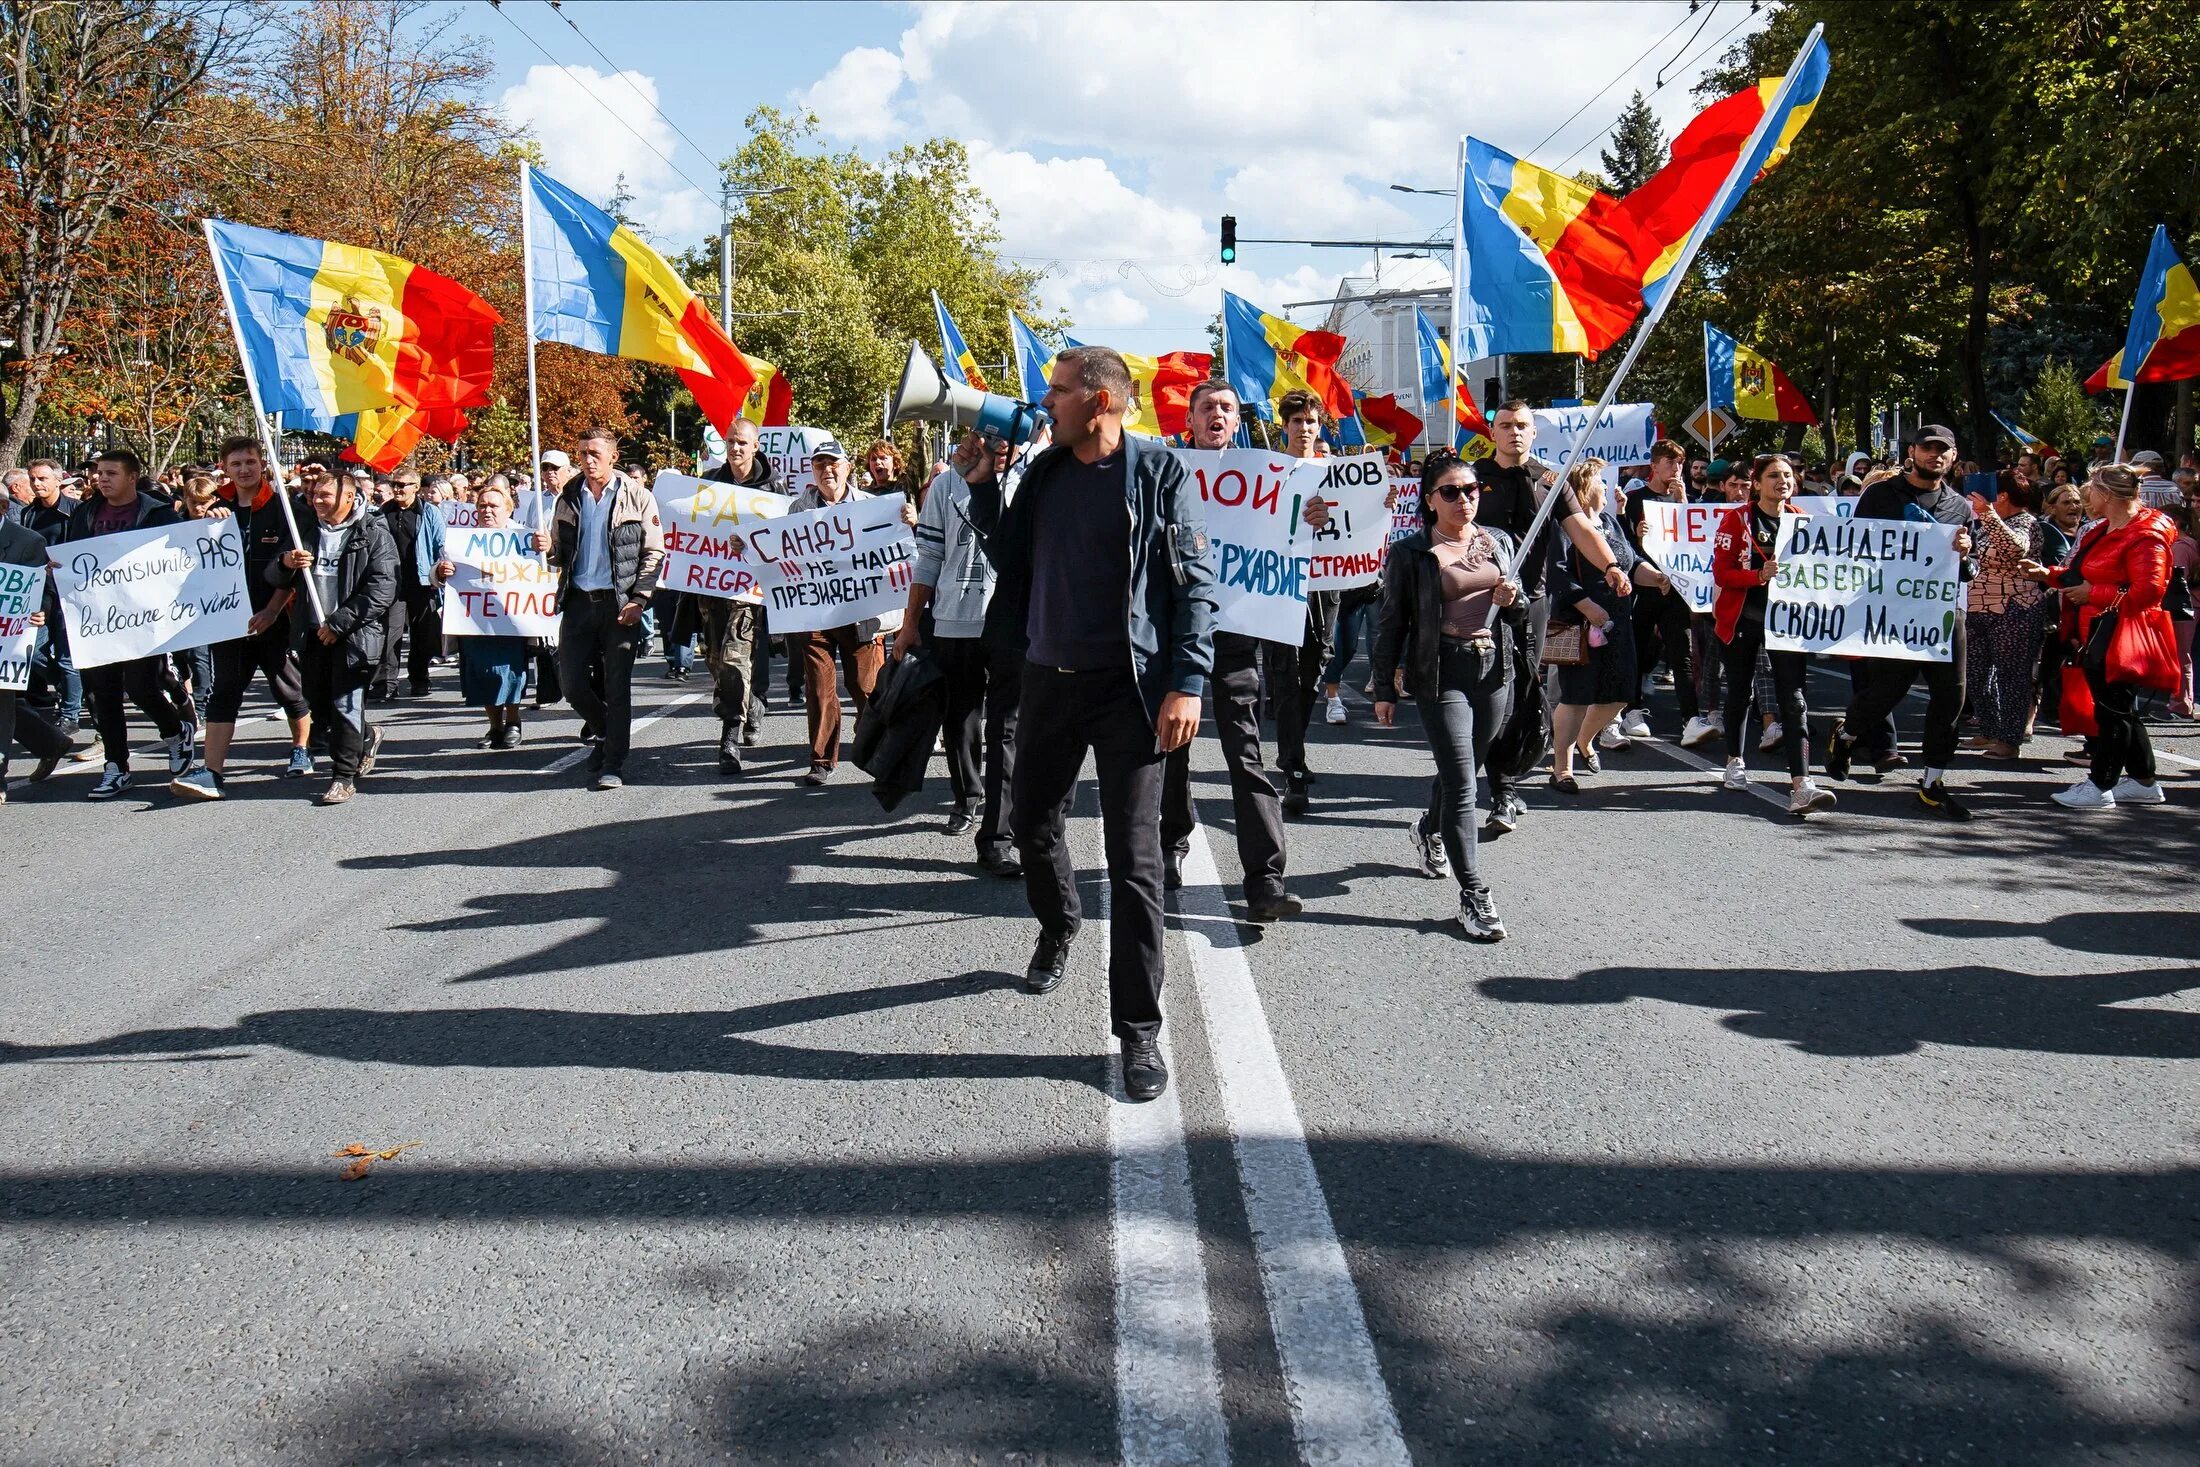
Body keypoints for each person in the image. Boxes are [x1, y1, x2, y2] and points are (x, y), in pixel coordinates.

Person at [965, 344, 1215, 1103]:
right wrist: (983, 490)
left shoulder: (1157, 472)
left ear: (1101, 402)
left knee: (1135, 859)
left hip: (1130, 690)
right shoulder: (1042, 472)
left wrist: (1188, 681)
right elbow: (1010, 559)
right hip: (1048, 681)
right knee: (1032, 821)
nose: (1047, 400)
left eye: (1061, 390)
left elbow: (1193, 582)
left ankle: (1139, 1030)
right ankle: (1060, 920)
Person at [1155, 379, 1298, 922]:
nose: (1216, 415)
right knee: (1173, 743)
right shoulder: (1166, 472)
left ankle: (1265, 878)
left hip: (1235, 637)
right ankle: (1171, 842)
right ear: (1188, 420)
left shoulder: (1267, 478)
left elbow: (1294, 531)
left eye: (1226, 409)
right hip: (1175, 636)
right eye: (1207, 407)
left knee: (1245, 751)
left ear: (1237, 422)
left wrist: (1308, 520)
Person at [1471, 399, 1636, 832]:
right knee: (1489, 692)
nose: (1514, 432)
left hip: (1533, 600)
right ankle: (1482, 778)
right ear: (1493, 433)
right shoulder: (1472, 478)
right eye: (1505, 425)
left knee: (1523, 691)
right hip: (1480, 601)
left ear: (1533, 432)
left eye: (1522, 425)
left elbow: (1580, 528)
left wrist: (1611, 566)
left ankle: (1505, 785)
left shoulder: (1551, 480)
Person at [1371, 451, 1517, 939]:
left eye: (1471, 490)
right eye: (1450, 492)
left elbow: (1524, 613)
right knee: (1462, 784)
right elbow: (1392, 621)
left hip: (1494, 671)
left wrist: (1513, 602)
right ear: (1430, 500)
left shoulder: (1500, 543)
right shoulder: (1412, 554)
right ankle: (1474, 894)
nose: (1464, 499)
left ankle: (1428, 828)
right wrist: (1383, 682)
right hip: (1442, 673)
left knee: (1466, 771)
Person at [1820, 424, 1977, 820]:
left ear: (1953, 457)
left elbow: (1968, 571)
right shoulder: (1881, 495)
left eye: (1944, 450)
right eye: (1928, 448)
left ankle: (1932, 782)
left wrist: (1965, 554)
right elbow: (1855, 549)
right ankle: (1848, 733)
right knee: (1889, 689)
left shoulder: (1960, 507)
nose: (1935, 456)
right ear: (1912, 451)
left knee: (1951, 697)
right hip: (1894, 613)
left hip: (1944, 615)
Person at [894, 428, 1029, 876]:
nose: (995, 443)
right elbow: (929, 553)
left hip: (1010, 623)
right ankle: (968, 795)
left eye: (1003, 435)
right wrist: (911, 622)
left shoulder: (1029, 475)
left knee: (1005, 727)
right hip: (953, 619)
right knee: (961, 720)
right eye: (986, 434)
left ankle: (998, 835)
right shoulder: (947, 482)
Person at [2022, 464, 2175, 810]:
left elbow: (2150, 590)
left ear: (2106, 494)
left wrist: (2094, 593)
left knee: (2111, 712)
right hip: (2095, 631)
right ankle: (2143, 781)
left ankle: (2100, 784)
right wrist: (2050, 574)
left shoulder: (2145, 535)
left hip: (2118, 634)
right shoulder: (2104, 529)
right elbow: (2081, 573)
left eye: (2091, 488)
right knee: (2119, 709)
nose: (2086, 495)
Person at [170, 439, 315, 800]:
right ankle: (212, 772)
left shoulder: (286, 509)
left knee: (286, 686)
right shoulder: (216, 506)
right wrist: (204, 523)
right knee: (225, 691)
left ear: (262, 463)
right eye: (236, 464)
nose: (244, 470)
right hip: (228, 619)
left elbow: (295, 567)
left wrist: (272, 610)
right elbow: (180, 553)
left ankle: (302, 747)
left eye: (250, 462)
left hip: (274, 617)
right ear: (225, 468)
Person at [530, 427, 664, 791]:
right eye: (583, 453)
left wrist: (640, 599)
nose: (588, 461)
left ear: (612, 457)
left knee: (616, 685)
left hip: (619, 604)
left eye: (595, 454)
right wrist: (546, 546)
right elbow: (560, 554)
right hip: (578, 602)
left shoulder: (638, 498)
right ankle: (605, 731)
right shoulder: (570, 496)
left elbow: (654, 552)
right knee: (570, 683)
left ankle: (614, 763)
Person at [1709, 454, 1836, 815]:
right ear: (1757, 482)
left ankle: (1801, 782)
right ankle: (1734, 760)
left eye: (1787, 475)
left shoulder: (1802, 521)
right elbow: (1722, 573)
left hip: (1787, 625)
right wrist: (1758, 577)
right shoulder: (1736, 520)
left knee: (1794, 699)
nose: (1782, 481)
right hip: (1743, 620)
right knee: (1740, 692)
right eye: (1773, 476)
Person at [63, 449, 194, 798]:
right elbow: (73, 556)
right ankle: (116, 767)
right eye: (99, 473)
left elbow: (179, 556)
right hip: (97, 617)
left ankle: (176, 730)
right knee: (101, 692)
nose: (101, 479)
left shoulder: (158, 513)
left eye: (110, 473)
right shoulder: (85, 513)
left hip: (143, 617)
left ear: (132, 477)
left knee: (140, 685)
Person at [269, 462, 397, 805]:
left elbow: (382, 588)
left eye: (325, 495)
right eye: (314, 495)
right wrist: (285, 564)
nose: (317, 501)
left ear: (349, 496)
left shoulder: (372, 532)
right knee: (320, 708)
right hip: (312, 635)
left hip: (353, 637)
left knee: (345, 705)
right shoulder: (305, 531)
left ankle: (343, 776)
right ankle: (368, 736)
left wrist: (339, 623)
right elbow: (274, 577)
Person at [786, 440, 910, 786]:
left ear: (847, 468)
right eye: (819, 465)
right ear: (812, 471)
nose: (827, 470)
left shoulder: (873, 507)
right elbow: (780, 556)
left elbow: (897, 551)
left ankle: (876, 751)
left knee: (865, 687)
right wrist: (748, 545)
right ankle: (822, 760)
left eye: (833, 464)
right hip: (817, 614)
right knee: (820, 689)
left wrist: (910, 522)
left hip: (861, 614)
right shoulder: (799, 509)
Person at [1547, 457, 1670, 790]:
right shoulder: (1563, 526)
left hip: (1618, 620)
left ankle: (1586, 739)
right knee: (1576, 696)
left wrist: (1655, 576)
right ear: (1586, 488)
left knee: (1620, 693)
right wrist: (1586, 607)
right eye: (1602, 482)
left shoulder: (1611, 524)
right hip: (1577, 621)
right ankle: (1562, 766)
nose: (1608, 488)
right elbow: (1556, 572)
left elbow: (1630, 562)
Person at [688, 417, 783, 758]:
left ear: (756, 446)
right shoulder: (709, 483)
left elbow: (783, 539)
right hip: (711, 587)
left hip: (750, 591)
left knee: (734, 657)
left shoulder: (773, 490)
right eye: (730, 442)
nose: (735, 448)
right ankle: (753, 704)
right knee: (715, 659)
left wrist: (753, 546)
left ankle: (729, 734)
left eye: (742, 442)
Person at [1264, 390, 1336, 815]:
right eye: (1297, 422)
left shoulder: (1337, 472)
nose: (1305, 429)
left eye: (1311, 422)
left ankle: (1295, 746)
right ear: (1285, 427)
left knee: (1314, 667)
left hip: (1326, 585)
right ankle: (1292, 764)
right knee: (1285, 673)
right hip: (1278, 582)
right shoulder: (1271, 472)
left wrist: (1381, 506)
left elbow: (1359, 521)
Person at [433, 483, 530, 750]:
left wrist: (545, 549)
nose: (487, 510)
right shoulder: (462, 540)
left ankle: (513, 721)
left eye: (493, 506)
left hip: (512, 619)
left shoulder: (523, 537)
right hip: (474, 620)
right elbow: (438, 573)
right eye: (482, 506)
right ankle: (494, 726)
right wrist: (442, 571)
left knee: (509, 671)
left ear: (507, 509)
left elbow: (544, 569)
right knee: (483, 674)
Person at [1621, 439, 1699, 743]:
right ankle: (1633, 709)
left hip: (1675, 589)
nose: (1676, 469)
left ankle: (1691, 718)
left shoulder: (1685, 500)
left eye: (1680, 463)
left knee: (1682, 655)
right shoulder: (1637, 498)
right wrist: (1636, 535)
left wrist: (1683, 503)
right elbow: (1623, 545)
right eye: (1670, 462)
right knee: (1639, 651)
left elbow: (1695, 542)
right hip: (1644, 588)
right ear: (1654, 466)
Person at [1962, 472, 2044, 760]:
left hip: (2015, 609)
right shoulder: (1982, 525)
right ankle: (1989, 728)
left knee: (2012, 677)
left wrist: (1987, 514)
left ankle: (2009, 740)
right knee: (1974, 673)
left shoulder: (2026, 523)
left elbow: (2014, 548)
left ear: (2003, 496)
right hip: (1976, 609)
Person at [0, 513, 70, 798]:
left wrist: (40, 609)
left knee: (1, 704)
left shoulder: (27, 541)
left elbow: (41, 587)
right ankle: (50, 742)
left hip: (7, 638)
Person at [19, 459, 81, 735]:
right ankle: (71, 689)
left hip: (70, 594)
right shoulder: (28, 514)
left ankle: (70, 714)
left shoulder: (75, 512)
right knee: (35, 653)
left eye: (43, 478)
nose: (37, 484)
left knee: (68, 657)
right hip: (41, 593)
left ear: (58, 481)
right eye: (33, 479)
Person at [373, 468, 437, 700]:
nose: (397, 489)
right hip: (392, 583)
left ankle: (420, 679)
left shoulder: (429, 512)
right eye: (395, 484)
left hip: (421, 581)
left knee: (422, 634)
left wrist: (438, 574)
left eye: (403, 484)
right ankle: (386, 683)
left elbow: (441, 545)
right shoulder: (384, 512)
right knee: (390, 633)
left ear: (416, 487)